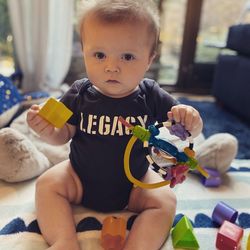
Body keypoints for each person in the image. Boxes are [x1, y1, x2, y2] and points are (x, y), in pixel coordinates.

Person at [26, 0, 237, 249]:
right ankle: (63, 240)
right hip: (79, 178)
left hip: (135, 184)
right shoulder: (78, 93)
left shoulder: (151, 95)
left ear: (149, 60)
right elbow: (63, 135)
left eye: (127, 56)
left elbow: (186, 130)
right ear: (84, 51)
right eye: (99, 54)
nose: (112, 67)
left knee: (165, 200)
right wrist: (49, 131)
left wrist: (191, 119)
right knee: (47, 185)